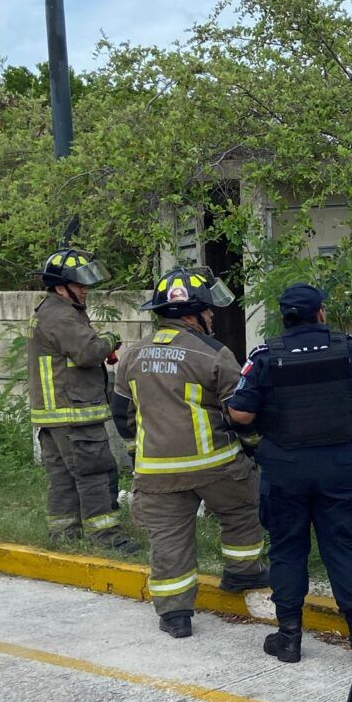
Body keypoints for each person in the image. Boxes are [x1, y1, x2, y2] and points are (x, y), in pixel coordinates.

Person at [228, 283, 352, 664]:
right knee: (343, 548)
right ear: (320, 313)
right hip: (337, 466)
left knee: (287, 550)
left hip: (285, 469)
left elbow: (240, 413)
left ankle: (289, 638)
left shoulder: (265, 354)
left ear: (284, 317)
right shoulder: (351, 349)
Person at [111, 266, 269, 639]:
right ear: (192, 313)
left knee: (168, 538)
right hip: (215, 465)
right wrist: (253, 450)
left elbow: (122, 415)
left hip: (155, 472)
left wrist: (140, 455)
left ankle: (175, 614)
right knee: (242, 508)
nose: (213, 316)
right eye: (209, 310)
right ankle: (243, 573)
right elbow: (239, 413)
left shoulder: (133, 355)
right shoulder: (214, 354)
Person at [27, 248, 138, 554]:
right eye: (79, 285)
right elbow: (88, 352)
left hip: (55, 417)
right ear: (60, 286)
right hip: (74, 413)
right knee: (95, 474)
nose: (85, 289)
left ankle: (65, 535)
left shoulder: (49, 311)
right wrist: (110, 341)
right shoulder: (61, 314)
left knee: (63, 478)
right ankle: (107, 538)